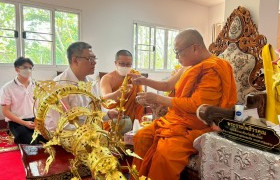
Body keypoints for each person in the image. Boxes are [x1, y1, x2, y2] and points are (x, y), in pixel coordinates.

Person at [130, 29, 237, 180]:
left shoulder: (212, 68)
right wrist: (144, 81)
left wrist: (158, 99)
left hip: (196, 125)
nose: (176, 57)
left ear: (195, 48)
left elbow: (197, 106)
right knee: (141, 136)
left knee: (164, 155)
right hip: (176, 120)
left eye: (178, 52)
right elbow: (167, 85)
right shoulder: (189, 65)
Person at [45, 42, 118, 131]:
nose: (94, 62)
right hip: (66, 138)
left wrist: (109, 114)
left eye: (95, 58)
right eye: (90, 58)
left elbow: (97, 111)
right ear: (75, 60)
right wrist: (86, 131)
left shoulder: (92, 83)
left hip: (90, 135)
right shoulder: (58, 85)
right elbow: (59, 123)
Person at [0, 57, 45, 144]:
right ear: (17, 69)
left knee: (49, 138)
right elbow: (6, 112)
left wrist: (39, 121)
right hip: (17, 121)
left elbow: (39, 106)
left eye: (30, 68)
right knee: (31, 143)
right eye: (25, 67)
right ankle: (16, 135)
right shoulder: (7, 88)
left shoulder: (36, 85)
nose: (28, 70)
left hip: (35, 120)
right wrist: (24, 123)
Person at [100, 50, 145, 121]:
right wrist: (120, 92)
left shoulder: (135, 75)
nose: (125, 67)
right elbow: (105, 99)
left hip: (132, 118)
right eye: (122, 64)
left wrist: (143, 99)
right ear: (115, 63)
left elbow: (139, 98)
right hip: (114, 119)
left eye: (128, 64)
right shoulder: (107, 78)